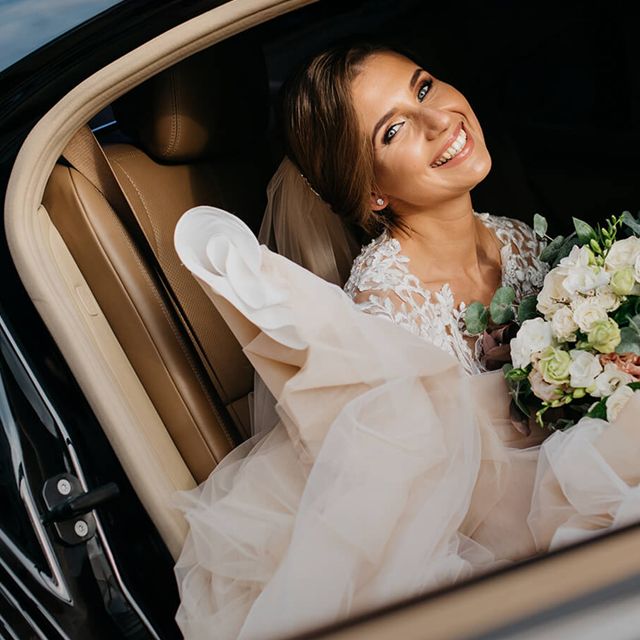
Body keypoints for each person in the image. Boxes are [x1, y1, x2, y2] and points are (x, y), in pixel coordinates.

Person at [172, 39, 640, 640]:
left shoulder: (514, 238)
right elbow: (432, 502)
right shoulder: (384, 305)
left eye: (423, 88)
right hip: (503, 541)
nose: (439, 119)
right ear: (371, 192)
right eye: (393, 130)